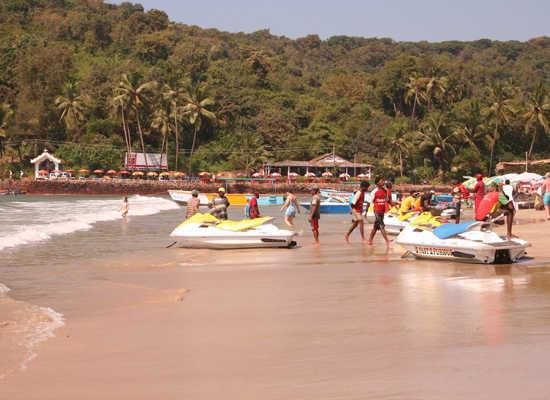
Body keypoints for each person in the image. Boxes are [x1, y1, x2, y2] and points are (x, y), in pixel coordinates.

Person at [367, 176, 392, 246]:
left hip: (382, 211)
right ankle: (387, 240)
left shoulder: (385, 191)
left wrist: (394, 205)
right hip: (377, 211)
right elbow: (369, 202)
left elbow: (387, 200)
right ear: (377, 183)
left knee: (376, 226)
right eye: (381, 181)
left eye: (383, 181)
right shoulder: (374, 192)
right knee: (381, 225)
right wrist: (366, 212)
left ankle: (370, 240)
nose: (383, 182)